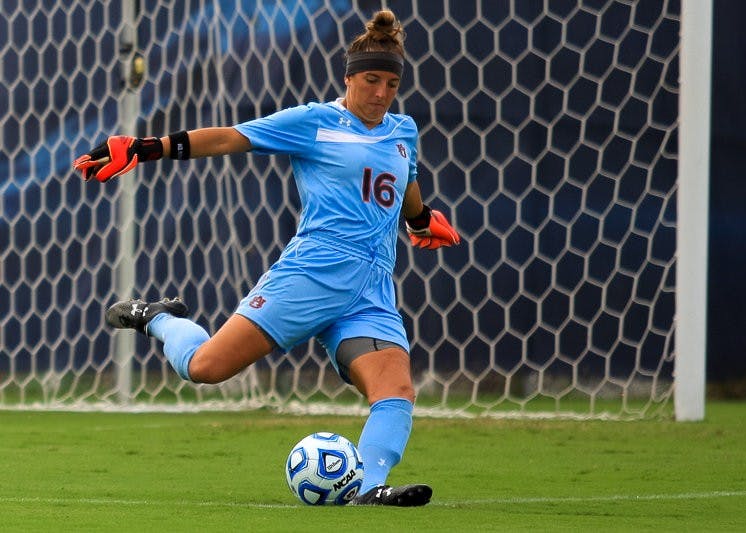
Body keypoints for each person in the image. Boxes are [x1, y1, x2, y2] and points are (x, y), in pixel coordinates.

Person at [73, 9, 459, 507]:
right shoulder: (315, 122)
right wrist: (148, 148)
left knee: (396, 390)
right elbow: (231, 137)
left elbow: (404, 185)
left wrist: (422, 218)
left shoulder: (403, 131)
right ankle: (158, 318)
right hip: (312, 273)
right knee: (206, 367)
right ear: (348, 78)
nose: (381, 93)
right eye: (371, 80)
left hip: (371, 287)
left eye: (390, 83)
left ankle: (367, 488)